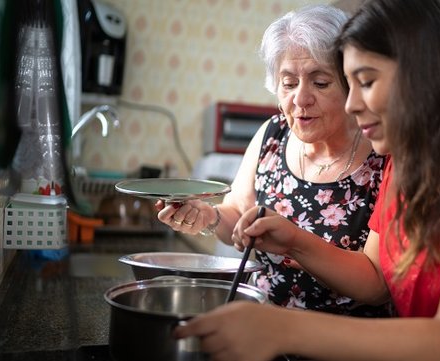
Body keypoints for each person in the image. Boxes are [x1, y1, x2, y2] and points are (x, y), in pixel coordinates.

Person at [172, 0, 440, 360]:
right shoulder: (408, 160)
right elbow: (378, 279)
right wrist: (287, 241)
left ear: (423, 75)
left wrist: (282, 329)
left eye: (364, 81)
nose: (352, 103)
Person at [156, 4, 390, 317]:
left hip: (345, 340)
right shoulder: (272, 135)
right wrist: (209, 217)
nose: (301, 99)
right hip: (264, 328)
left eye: (320, 83)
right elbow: (238, 215)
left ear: (350, 83)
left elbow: (376, 286)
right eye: (289, 83)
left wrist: (295, 242)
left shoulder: (382, 152)